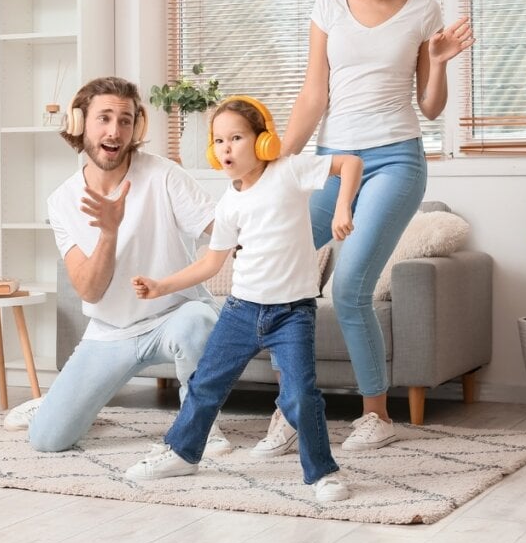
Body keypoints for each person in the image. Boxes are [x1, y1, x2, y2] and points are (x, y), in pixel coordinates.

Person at [253, 0, 475, 456]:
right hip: (332, 161)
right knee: (275, 270)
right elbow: (313, 95)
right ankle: (290, 409)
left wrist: (441, 62)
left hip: (396, 161)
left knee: (349, 287)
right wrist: (279, 162)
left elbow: (429, 105)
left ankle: (376, 415)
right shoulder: (329, 4)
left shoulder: (422, 9)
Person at [124, 96, 363, 503]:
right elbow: (211, 263)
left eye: (236, 137)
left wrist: (343, 208)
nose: (226, 148)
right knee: (204, 385)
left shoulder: (288, 171)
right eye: (219, 141)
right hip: (241, 311)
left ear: (263, 141)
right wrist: (161, 286)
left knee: (301, 395)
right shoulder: (229, 203)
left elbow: (350, 164)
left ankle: (322, 472)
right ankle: (182, 453)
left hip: (292, 313)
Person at [2, 76, 230, 456]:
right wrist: (109, 232)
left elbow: (224, 230)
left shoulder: (164, 175)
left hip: (175, 315)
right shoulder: (62, 201)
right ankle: (57, 403)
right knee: (47, 439)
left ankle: (201, 423)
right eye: (104, 118)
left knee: (199, 319)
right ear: (80, 124)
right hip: (112, 331)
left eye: (125, 120)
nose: (115, 130)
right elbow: (89, 291)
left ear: (137, 126)